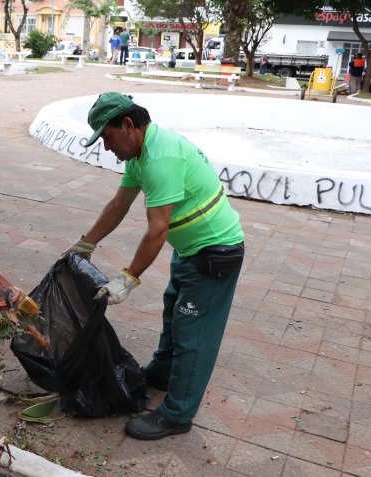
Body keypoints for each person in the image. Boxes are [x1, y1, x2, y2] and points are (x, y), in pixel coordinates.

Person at [63, 92, 244, 440]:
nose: (106, 147)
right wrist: (87, 242)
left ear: (128, 125)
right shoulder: (141, 152)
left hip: (214, 255)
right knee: (173, 313)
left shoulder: (160, 158)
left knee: (194, 333)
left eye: (107, 137)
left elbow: (157, 228)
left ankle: (177, 415)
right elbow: (119, 203)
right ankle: (161, 374)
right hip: (191, 249)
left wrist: (128, 279)